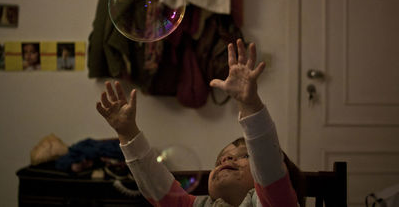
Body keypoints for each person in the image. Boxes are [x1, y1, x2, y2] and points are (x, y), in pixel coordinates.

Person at [96, 39, 300, 206]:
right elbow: (155, 185)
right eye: (221, 159)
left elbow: (268, 163)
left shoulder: (273, 202)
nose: (226, 161)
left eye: (245, 156)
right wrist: (127, 132)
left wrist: (249, 104)